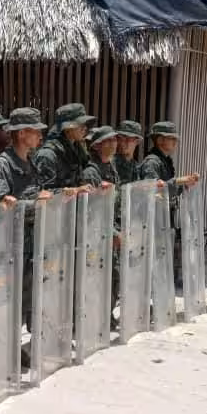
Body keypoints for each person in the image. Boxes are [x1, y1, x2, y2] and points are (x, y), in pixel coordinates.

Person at [0, 108, 52, 368]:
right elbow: (1, 206)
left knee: (27, 300)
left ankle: (17, 349)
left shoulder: (31, 161)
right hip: (12, 248)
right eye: (35, 131)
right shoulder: (3, 164)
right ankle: (5, 355)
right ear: (22, 133)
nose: (39, 136)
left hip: (30, 244)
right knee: (10, 304)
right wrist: (35, 204)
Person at [138, 122, 200, 286]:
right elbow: (152, 189)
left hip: (165, 215)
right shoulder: (152, 162)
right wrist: (179, 181)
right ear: (159, 140)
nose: (175, 142)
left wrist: (184, 184)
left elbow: (169, 189)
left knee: (165, 251)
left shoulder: (164, 161)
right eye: (171, 138)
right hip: (153, 218)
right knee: (154, 254)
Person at [81, 126, 122, 328]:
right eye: (108, 141)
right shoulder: (91, 171)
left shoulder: (110, 167)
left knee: (114, 278)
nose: (113, 143)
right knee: (96, 279)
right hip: (96, 236)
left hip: (109, 231)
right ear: (97, 145)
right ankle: (92, 321)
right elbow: (92, 210)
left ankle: (105, 316)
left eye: (114, 140)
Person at [33, 103, 96, 190]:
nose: (85, 128)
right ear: (67, 128)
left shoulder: (77, 149)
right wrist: (74, 190)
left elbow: (82, 177)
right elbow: (44, 193)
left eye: (85, 124)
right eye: (80, 124)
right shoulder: (48, 155)